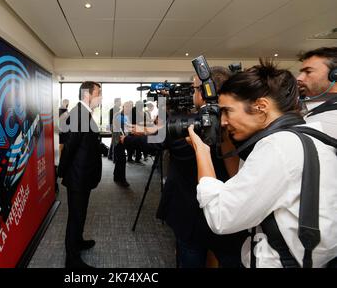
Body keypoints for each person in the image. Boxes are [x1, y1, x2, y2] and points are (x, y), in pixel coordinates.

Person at [188, 60, 337, 268]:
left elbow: (222, 217)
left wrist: (202, 151)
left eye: (228, 111)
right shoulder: (309, 135)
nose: (222, 121)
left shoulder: (279, 147)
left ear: (261, 107)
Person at [123, 67, 246, 268]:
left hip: (191, 216)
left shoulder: (187, 127)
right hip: (230, 215)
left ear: (205, 91)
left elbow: (158, 140)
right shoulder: (238, 124)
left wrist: (129, 139)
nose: (192, 93)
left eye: (195, 88)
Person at [57, 81, 102, 268]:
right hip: (77, 177)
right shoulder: (79, 115)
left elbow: (86, 142)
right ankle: (72, 259)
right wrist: (62, 173)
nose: (100, 97)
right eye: (98, 93)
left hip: (83, 176)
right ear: (87, 95)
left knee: (81, 214)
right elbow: (69, 148)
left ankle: (78, 241)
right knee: (75, 216)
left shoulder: (84, 113)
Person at [297, 47, 337, 138]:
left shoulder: (327, 119)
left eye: (308, 72)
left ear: (335, 75)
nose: (299, 78)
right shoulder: (314, 110)